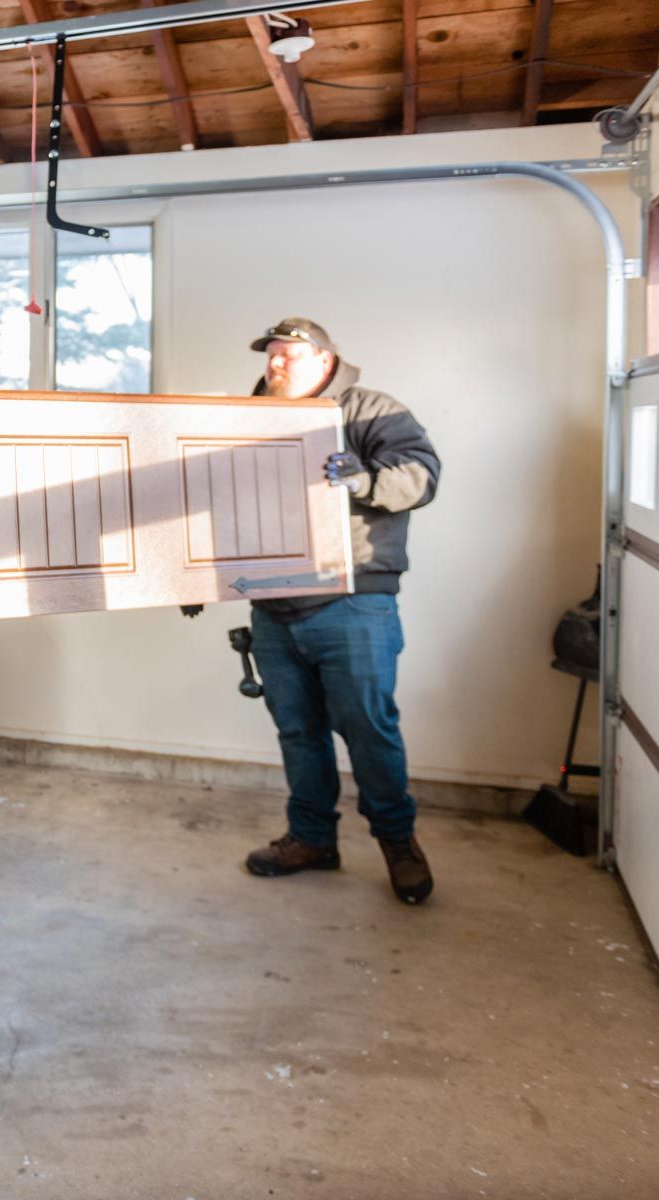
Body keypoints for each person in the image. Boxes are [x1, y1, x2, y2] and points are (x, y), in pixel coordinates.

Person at [238, 317, 441, 905]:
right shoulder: (247, 418)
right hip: (273, 604)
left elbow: (421, 477)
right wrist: (194, 576)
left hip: (352, 600)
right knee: (298, 731)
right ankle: (312, 839)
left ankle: (398, 843)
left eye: (289, 354)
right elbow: (218, 497)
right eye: (271, 355)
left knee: (370, 730)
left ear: (325, 360)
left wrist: (363, 479)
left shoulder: (372, 410)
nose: (275, 364)